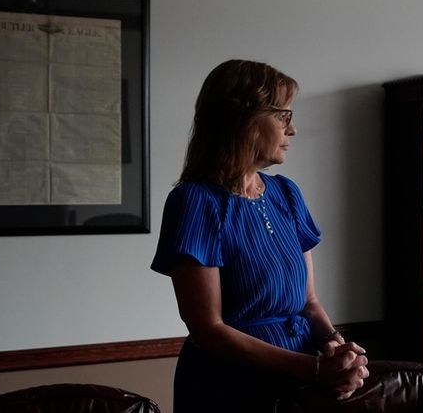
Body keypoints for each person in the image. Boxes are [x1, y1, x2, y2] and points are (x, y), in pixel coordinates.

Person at [151, 59, 369, 412]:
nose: (292, 130)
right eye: (283, 116)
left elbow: (309, 302)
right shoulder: (194, 202)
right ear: (243, 120)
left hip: (300, 386)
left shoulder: (286, 193)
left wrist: (338, 350)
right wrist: (313, 369)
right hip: (230, 387)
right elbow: (207, 328)